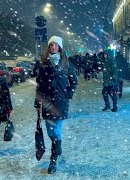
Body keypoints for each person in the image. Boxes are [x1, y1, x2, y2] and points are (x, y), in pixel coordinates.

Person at [34, 35, 78, 174]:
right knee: (50, 131)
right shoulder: (44, 64)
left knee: (56, 131)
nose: (53, 47)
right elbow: (39, 85)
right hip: (47, 102)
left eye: (55, 45)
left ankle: (53, 159)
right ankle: (57, 145)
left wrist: (68, 94)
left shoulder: (66, 64)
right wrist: (37, 102)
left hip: (60, 102)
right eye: (51, 45)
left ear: (60, 47)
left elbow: (74, 82)